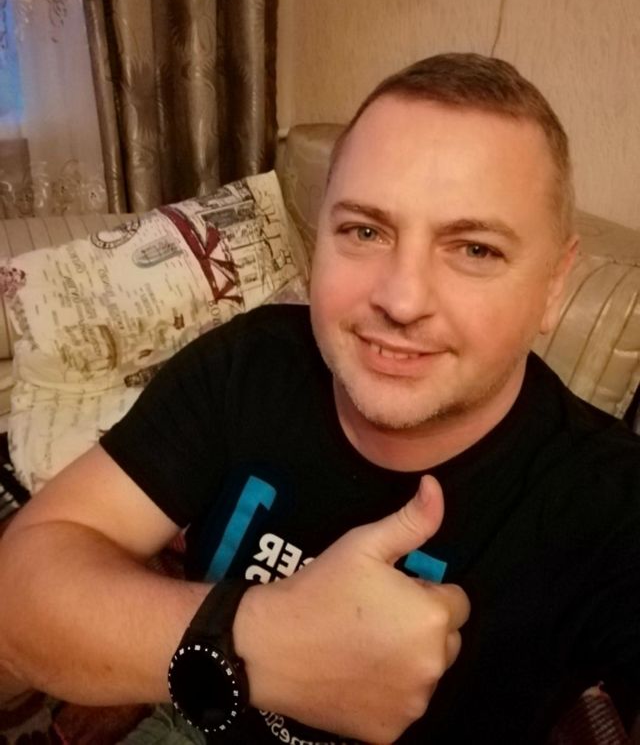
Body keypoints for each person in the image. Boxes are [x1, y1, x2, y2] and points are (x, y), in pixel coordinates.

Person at [0, 53, 639, 745]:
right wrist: (258, 639)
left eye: (475, 249)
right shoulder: (250, 365)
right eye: (365, 231)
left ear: (554, 283)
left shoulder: (610, 502)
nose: (401, 300)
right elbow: (17, 599)